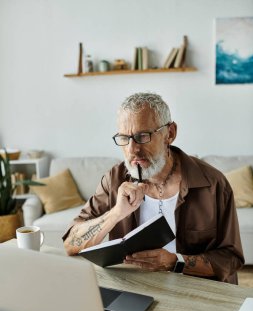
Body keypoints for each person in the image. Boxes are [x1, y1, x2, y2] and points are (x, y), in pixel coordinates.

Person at [63, 92, 244, 284]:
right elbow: (70, 244)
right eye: (124, 138)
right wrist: (116, 213)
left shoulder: (213, 184)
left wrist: (176, 262)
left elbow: (231, 258)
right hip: (136, 288)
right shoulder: (113, 181)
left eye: (143, 136)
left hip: (198, 292)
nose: (132, 149)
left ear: (170, 134)